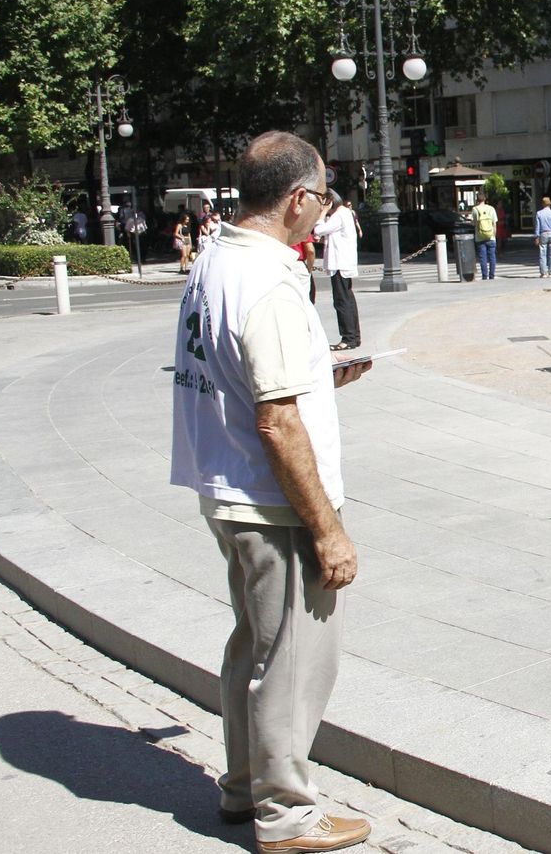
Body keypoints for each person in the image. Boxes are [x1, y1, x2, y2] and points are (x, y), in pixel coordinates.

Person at [168, 130, 373, 854]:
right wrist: (328, 529)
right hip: (272, 499)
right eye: (322, 197)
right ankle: (286, 814)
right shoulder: (269, 281)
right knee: (291, 658)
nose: (323, 212)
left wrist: (322, 373)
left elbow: (249, 377)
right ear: (297, 200)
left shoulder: (217, 258)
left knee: (253, 646)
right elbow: (278, 421)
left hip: (225, 485)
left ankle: (241, 786)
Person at [315, 191, 361, 350]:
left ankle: (348, 338)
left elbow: (318, 230)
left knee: (342, 301)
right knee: (347, 299)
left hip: (339, 263)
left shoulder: (339, 215)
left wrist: (322, 213)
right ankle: (353, 336)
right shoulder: (345, 213)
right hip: (343, 262)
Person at [469, 195, 498, 280]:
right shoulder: (491, 209)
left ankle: (484, 276)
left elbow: (473, 223)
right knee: (492, 257)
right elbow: (494, 224)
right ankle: (491, 275)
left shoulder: (475, 209)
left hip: (480, 236)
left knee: (483, 258)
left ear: (477, 200)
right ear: (485, 199)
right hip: (491, 236)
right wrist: (494, 235)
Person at [534, 196, 551, 278]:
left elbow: (537, 226)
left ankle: (543, 273)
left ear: (543, 204)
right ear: (549, 204)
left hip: (543, 234)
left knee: (542, 254)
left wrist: (537, 236)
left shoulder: (539, 213)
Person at [292, 232, 318, 304]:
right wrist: (309, 268)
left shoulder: (278, 227)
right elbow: (310, 250)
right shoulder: (302, 228)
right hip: (298, 264)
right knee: (304, 300)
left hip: (282, 263)